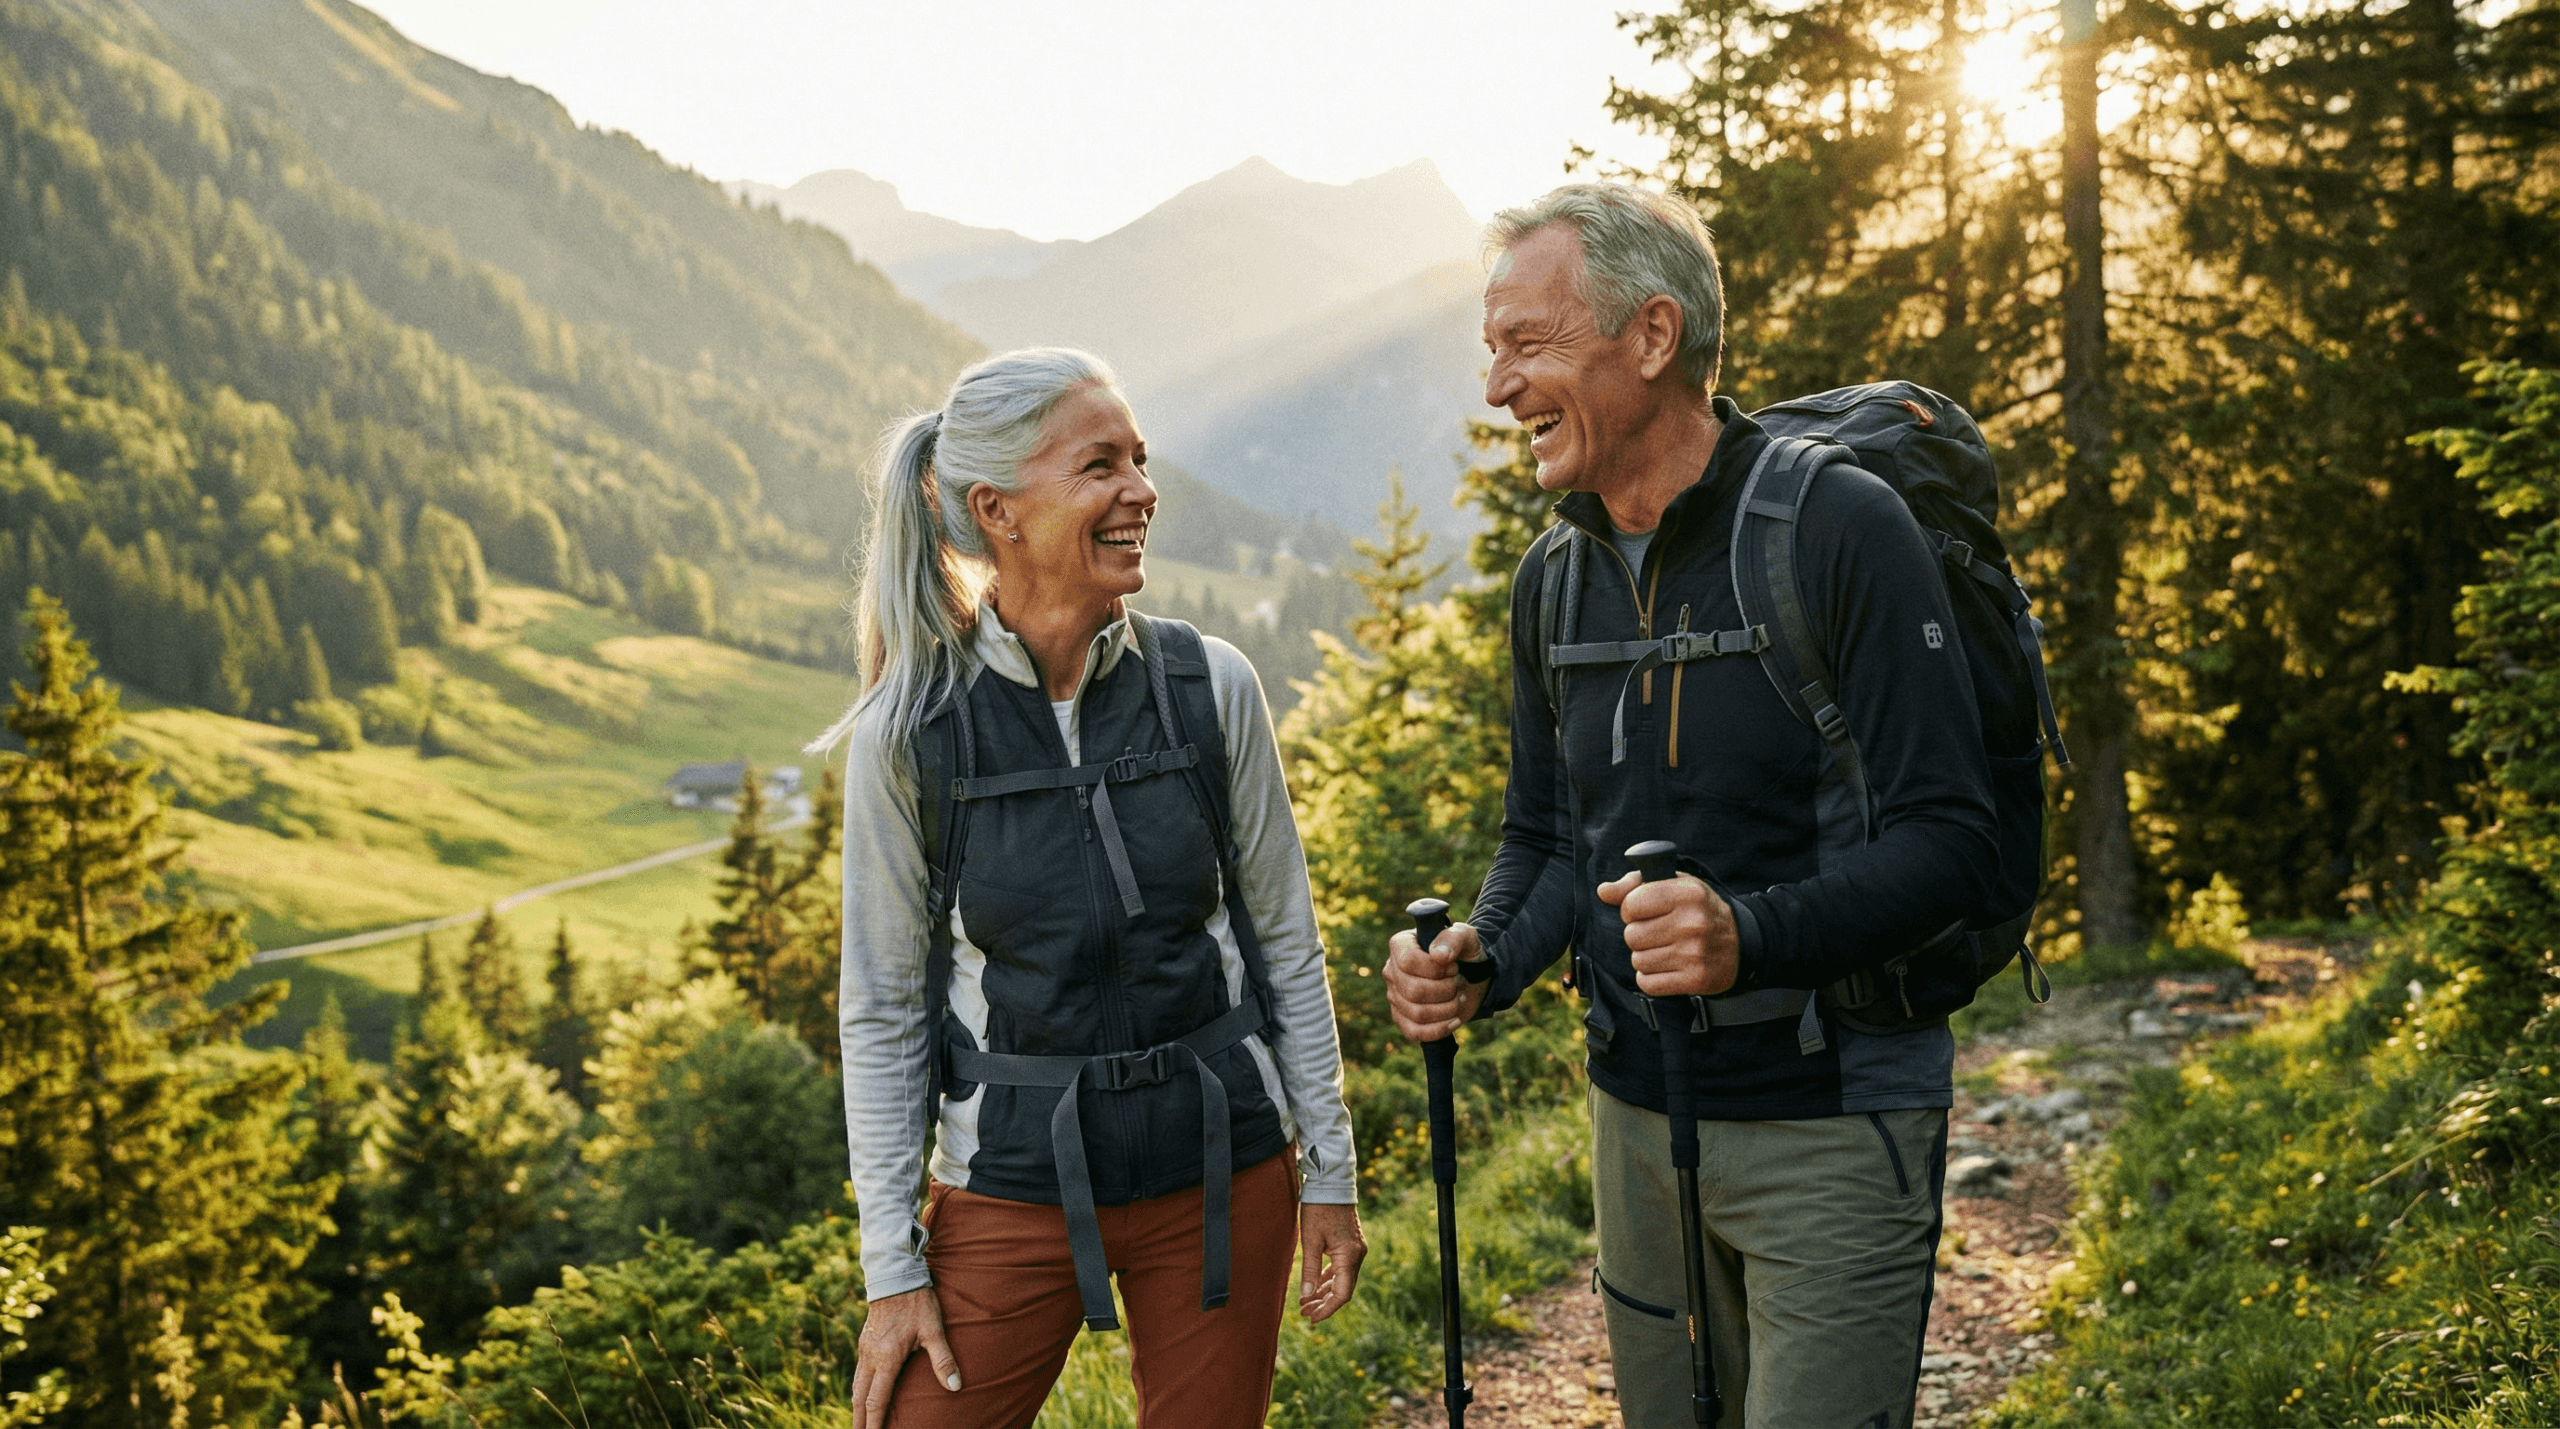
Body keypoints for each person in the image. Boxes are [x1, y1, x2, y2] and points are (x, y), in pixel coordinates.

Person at [1383, 184, 2001, 1428]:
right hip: (1634, 1107)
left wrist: (1745, 937)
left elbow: (1954, 843)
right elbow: (1548, 836)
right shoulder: (1556, 578)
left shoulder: (1837, 529)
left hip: (1833, 1115)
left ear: (1653, 336)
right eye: (1489, 352)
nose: (1497, 389)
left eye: (1528, 344)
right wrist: (1483, 954)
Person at [816, 347, 1364, 1429]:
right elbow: (881, 1010)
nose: (1141, 493)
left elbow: (1284, 942)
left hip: (1220, 1168)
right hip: (1009, 1180)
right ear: (998, 510)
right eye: (1100, 466)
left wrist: (1330, 1168)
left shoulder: (1209, 687)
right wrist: (892, 1266)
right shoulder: (909, 734)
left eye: (1140, 460)